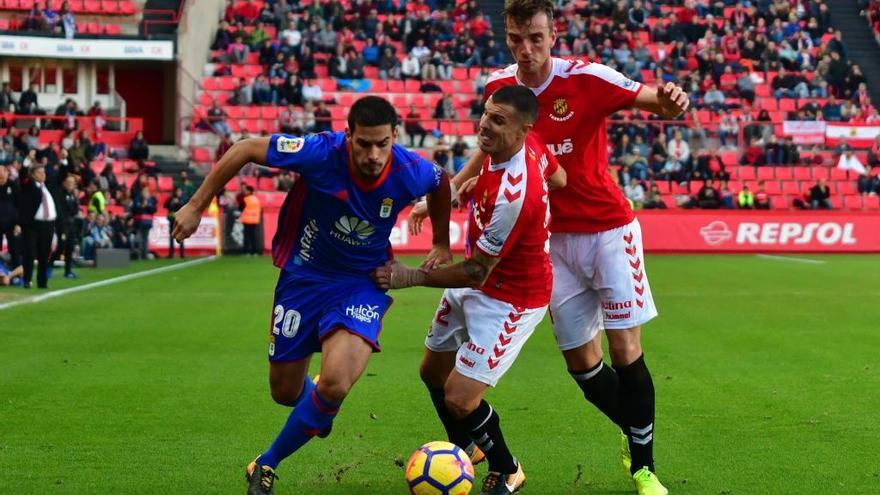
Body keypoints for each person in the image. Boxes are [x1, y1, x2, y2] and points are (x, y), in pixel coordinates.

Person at [410, 2, 689, 493]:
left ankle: (644, 467)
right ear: (508, 35)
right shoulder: (501, 87)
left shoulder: (588, 78)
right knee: (583, 366)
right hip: (551, 243)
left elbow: (655, 102)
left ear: (553, 34)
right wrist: (457, 183)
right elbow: (490, 140)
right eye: (517, 38)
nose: (526, 49)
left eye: (535, 37)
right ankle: (633, 424)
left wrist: (671, 100)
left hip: (608, 231)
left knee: (626, 349)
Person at [170, 96, 453, 495]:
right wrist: (197, 204)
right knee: (285, 392)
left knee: (335, 383)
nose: (374, 155)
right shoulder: (321, 152)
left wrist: (441, 241)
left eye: (382, 144)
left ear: (395, 137)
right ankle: (315, 407)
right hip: (303, 277)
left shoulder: (410, 169)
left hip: (363, 281)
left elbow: (441, 181)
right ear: (347, 135)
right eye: (364, 144)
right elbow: (246, 147)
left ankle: (266, 463)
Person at [374, 86, 566, 495]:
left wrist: (410, 277)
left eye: (498, 121)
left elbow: (476, 271)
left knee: (460, 398)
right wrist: (478, 180)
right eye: (486, 114)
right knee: (432, 372)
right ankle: (466, 448)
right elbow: (559, 177)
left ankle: (507, 467)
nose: (485, 125)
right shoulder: (528, 144)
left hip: (512, 297)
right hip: (477, 279)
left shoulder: (515, 197)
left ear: (522, 130)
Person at [17, 165, 58, 289]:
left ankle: (42, 282)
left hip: (48, 225)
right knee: (30, 253)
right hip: (33, 225)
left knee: (44, 255)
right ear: (32, 175)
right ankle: (27, 280)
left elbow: (61, 176)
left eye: (44, 172)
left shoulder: (48, 187)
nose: (43, 175)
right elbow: (23, 175)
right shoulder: (29, 186)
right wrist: (27, 162)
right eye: (40, 172)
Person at [55, 174, 81, 278]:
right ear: (64, 183)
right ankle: (48, 268)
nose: (71, 185)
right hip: (62, 226)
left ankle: (68, 271)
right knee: (60, 247)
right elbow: (60, 211)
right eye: (69, 182)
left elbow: (75, 210)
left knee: (70, 247)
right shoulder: (60, 194)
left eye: (73, 183)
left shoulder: (72, 196)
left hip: (71, 226)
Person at [0, 165, 20, 266]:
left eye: (2, 174)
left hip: (12, 223)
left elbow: (20, 205)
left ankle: (16, 271)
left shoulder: (13, 186)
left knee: (14, 249)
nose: (1, 177)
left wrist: (18, 224)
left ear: (7, 173)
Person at [131, 187, 156, 259]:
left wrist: (147, 205)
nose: (145, 194)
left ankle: (145, 255)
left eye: (146, 192)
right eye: (143, 192)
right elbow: (135, 209)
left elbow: (153, 210)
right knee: (139, 239)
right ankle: (138, 255)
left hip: (147, 223)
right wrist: (142, 206)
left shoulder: (151, 200)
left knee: (145, 239)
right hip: (139, 223)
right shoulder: (137, 199)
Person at [164, 187, 187, 258]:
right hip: (172, 220)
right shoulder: (171, 199)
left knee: (181, 236)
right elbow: (165, 205)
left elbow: (184, 206)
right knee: (171, 237)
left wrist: (178, 202)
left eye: (179, 191)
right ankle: (171, 253)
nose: (178, 193)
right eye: (177, 191)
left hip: (180, 220)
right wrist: (171, 200)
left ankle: (182, 253)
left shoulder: (183, 199)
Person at [240, 184, 262, 256]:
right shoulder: (256, 199)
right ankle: (254, 251)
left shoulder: (246, 199)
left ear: (249, 191)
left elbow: (240, 208)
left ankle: (246, 251)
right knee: (253, 237)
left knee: (246, 236)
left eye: (246, 190)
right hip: (255, 220)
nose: (244, 191)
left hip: (247, 219)